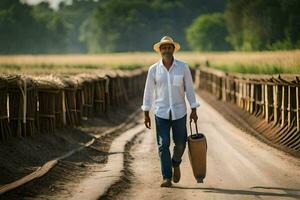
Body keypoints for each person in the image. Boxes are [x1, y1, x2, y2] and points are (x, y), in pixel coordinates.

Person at [141, 36, 200, 187]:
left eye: (169, 47)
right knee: (163, 144)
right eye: (164, 48)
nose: (166, 50)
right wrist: (146, 112)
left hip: (179, 111)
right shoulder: (154, 69)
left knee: (181, 143)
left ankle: (176, 163)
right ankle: (166, 177)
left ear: (173, 49)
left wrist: (194, 109)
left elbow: (190, 89)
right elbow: (148, 92)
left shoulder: (183, 67)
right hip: (161, 112)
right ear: (160, 51)